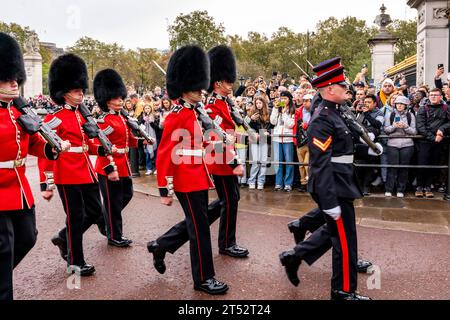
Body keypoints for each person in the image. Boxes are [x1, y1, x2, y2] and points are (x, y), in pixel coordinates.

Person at [279, 57, 377, 300]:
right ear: (330, 89)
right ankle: (343, 290)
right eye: (343, 85)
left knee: (341, 234)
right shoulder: (323, 117)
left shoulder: (336, 112)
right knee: (344, 240)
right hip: (333, 184)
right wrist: (329, 200)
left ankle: (295, 256)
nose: (348, 89)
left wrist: (370, 147)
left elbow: (345, 148)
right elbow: (320, 164)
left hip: (342, 181)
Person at [147, 45, 232, 295]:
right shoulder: (176, 116)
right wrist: (165, 188)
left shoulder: (195, 112)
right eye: (197, 88)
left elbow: (199, 141)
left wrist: (219, 141)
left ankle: (161, 245)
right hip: (185, 179)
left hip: (198, 175)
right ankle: (204, 279)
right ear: (184, 89)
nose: (201, 92)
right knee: (200, 230)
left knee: (198, 222)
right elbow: (165, 154)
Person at [0, 32, 70, 300]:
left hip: (18, 188)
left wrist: (50, 148)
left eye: (15, 78)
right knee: (4, 246)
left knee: (28, 237)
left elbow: (30, 145)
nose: (14, 83)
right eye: (7, 79)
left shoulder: (17, 111)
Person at [38, 54, 111, 276]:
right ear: (64, 92)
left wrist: (101, 149)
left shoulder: (82, 117)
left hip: (85, 171)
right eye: (76, 90)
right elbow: (44, 150)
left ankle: (64, 237)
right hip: (66, 173)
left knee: (95, 211)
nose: (81, 93)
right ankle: (75, 262)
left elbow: (87, 144)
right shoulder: (56, 118)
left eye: (81, 89)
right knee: (76, 216)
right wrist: (46, 182)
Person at [204, 45, 249, 258]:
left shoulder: (224, 102)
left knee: (231, 199)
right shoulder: (212, 105)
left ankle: (220, 236)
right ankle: (226, 244)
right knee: (230, 200)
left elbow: (230, 129)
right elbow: (215, 136)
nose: (231, 85)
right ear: (217, 82)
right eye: (228, 82)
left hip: (227, 156)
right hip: (220, 159)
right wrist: (231, 159)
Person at [93, 69, 139, 247]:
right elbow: (103, 147)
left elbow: (128, 139)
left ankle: (105, 220)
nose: (121, 100)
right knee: (113, 203)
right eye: (117, 98)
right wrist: (109, 169)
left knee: (127, 195)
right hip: (110, 164)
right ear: (107, 100)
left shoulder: (122, 118)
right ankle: (114, 235)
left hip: (123, 163)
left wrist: (140, 139)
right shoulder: (105, 121)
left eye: (122, 97)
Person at [415, 88, 450, 198]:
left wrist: (442, 129)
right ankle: (420, 186)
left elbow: (449, 122)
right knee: (422, 163)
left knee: (433, 164)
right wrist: (433, 137)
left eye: (436, 95)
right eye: (431, 95)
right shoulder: (423, 108)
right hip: (425, 141)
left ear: (441, 97)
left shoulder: (446, 108)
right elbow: (420, 126)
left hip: (439, 141)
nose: (433, 96)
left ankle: (428, 186)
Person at [384, 96, 417, 198]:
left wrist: (405, 127)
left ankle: (400, 190)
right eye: (398, 103)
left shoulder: (410, 115)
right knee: (392, 167)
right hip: (392, 144)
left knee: (404, 168)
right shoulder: (390, 115)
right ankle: (389, 189)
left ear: (406, 105)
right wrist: (394, 126)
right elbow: (386, 129)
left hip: (407, 144)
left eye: (402, 104)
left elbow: (414, 132)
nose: (399, 105)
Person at [270, 91, 296, 192]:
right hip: (277, 138)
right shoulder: (278, 108)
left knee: (289, 161)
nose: (283, 100)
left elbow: (290, 124)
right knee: (278, 162)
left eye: (285, 98)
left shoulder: (293, 110)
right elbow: (272, 121)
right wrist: (275, 109)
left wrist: (285, 113)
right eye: (282, 98)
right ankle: (278, 183)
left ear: (289, 99)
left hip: (288, 138)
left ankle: (288, 183)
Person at [247, 96, 273, 190]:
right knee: (255, 161)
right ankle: (252, 181)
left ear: (264, 103)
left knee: (263, 162)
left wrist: (268, 132)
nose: (258, 105)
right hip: (255, 138)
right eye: (257, 103)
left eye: (260, 103)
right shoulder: (252, 113)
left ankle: (261, 181)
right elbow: (248, 127)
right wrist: (252, 120)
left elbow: (272, 124)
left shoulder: (269, 112)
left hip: (264, 138)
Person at [294, 94, 313, 192]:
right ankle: (303, 183)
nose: (304, 102)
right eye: (304, 100)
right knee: (301, 164)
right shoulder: (299, 111)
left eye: (307, 101)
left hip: (310, 141)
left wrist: (307, 125)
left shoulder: (315, 111)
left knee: (307, 163)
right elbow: (295, 126)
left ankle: (310, 182)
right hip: (300, 140)